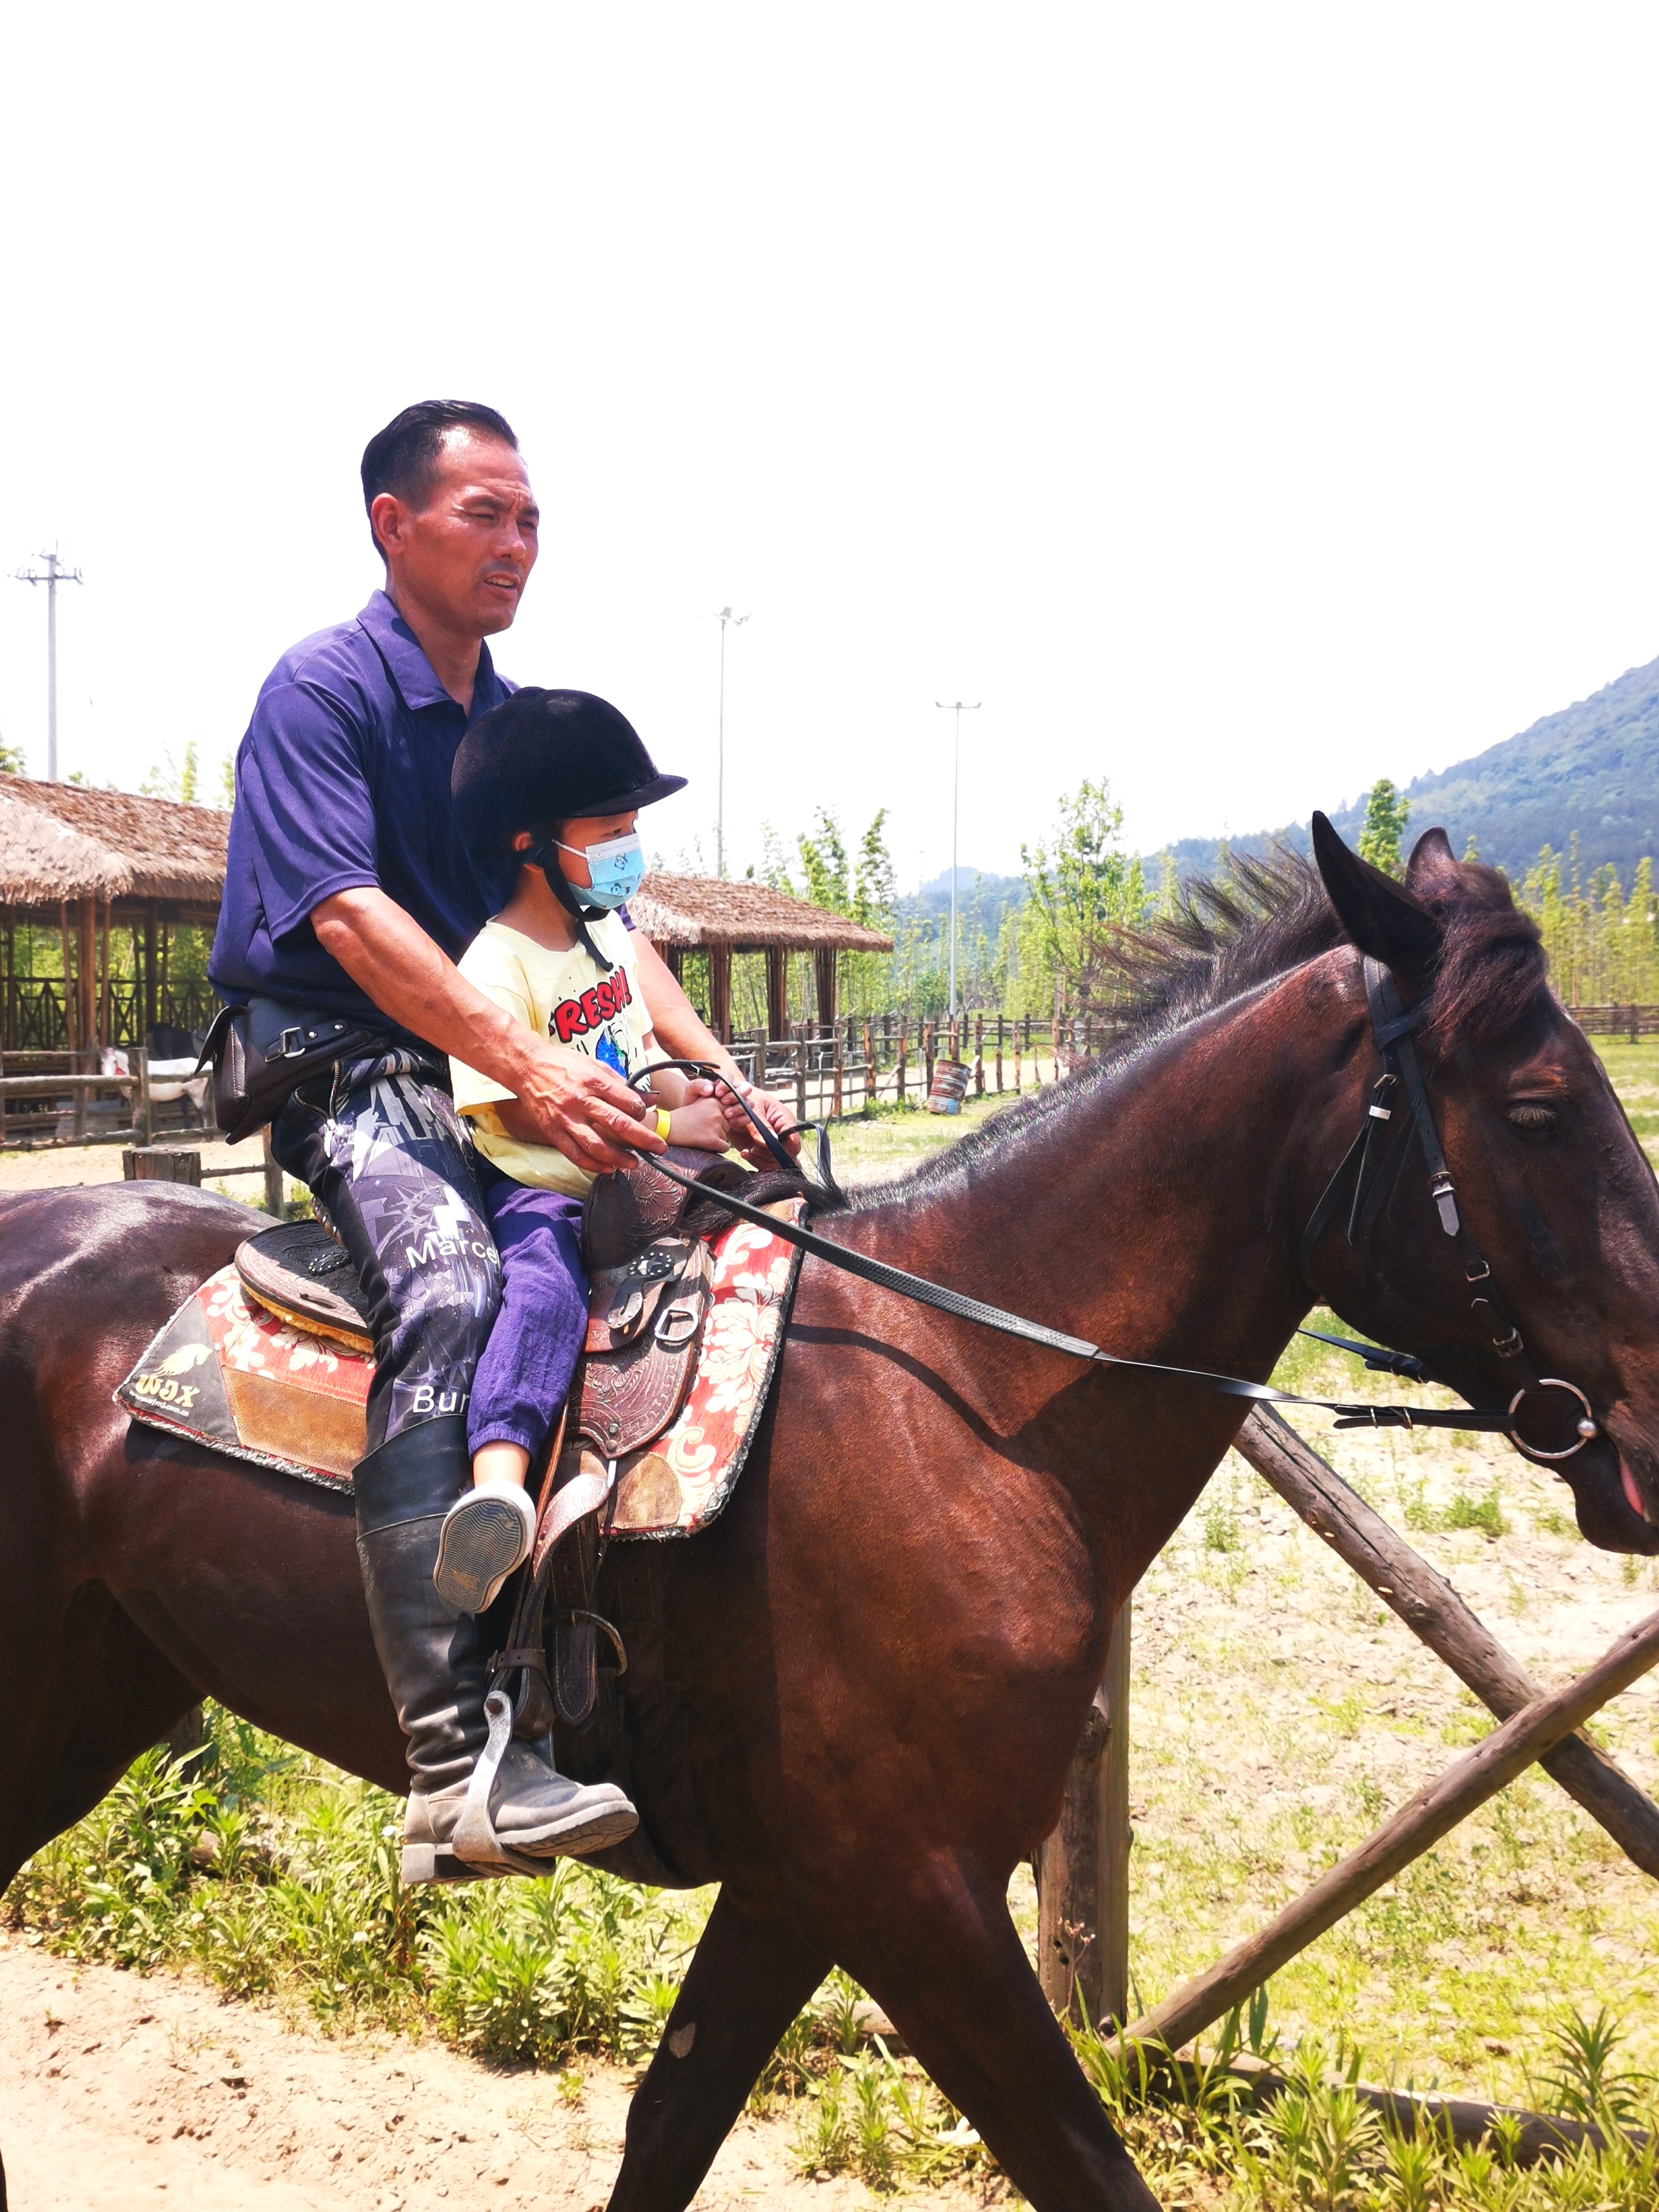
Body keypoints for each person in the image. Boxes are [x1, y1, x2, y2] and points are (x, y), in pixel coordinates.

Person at [209, 400, 796, 1882]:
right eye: (486, 512)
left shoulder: (516, 726)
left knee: (732, 1234)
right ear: (392, 524)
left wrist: (709, 1074)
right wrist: (528, 1060)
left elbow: (600, 926)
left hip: (504, 1065)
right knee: (455, 1281)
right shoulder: (322, 692)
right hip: (355, 1065)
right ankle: (450, 1762)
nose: (518, 542)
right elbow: (348, 919)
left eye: (531, 517)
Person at [434, 688, 731, 1619]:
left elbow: (644, 1055)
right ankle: (498, 1486)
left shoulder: (606, 936)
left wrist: (704, 1102)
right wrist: (660, 1132)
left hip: (637, 1172)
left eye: (632, 828)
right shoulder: (495, 966)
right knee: (546, 1293)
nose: (628, 849)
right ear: (532, 845)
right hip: (546, 1191)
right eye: (610, 832)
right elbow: (507, 1111)